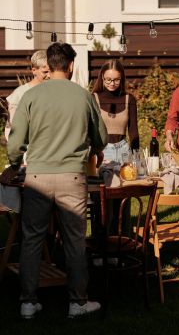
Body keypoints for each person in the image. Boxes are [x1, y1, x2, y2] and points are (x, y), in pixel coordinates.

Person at [0, 42, 107, 319]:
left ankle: (27, 301)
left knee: (32, 239)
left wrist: (14, 164)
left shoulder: (31, 96)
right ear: (71, 65)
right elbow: (101, 138)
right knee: (74, 241)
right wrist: (93, 149)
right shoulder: (83, 96)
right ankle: (77, 301)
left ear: (50, 63)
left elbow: (15, 143)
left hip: (37, 177)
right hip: (73, 175)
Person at [92, 59, 139, 165]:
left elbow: (133, 132)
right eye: (108, 79)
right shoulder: (94, 98)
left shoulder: (129, 99)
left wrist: (136, 158)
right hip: (102, 151)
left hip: (124, 151)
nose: (112, 83)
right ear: (102, 78)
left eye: (116, 80)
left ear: (122, 78)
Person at [5, 50, 50, 140]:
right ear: (34, 70)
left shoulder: (53, 90)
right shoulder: (20, 94)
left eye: (51, 71)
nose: (49, 75)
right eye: (45, 72)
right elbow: (11, 128)